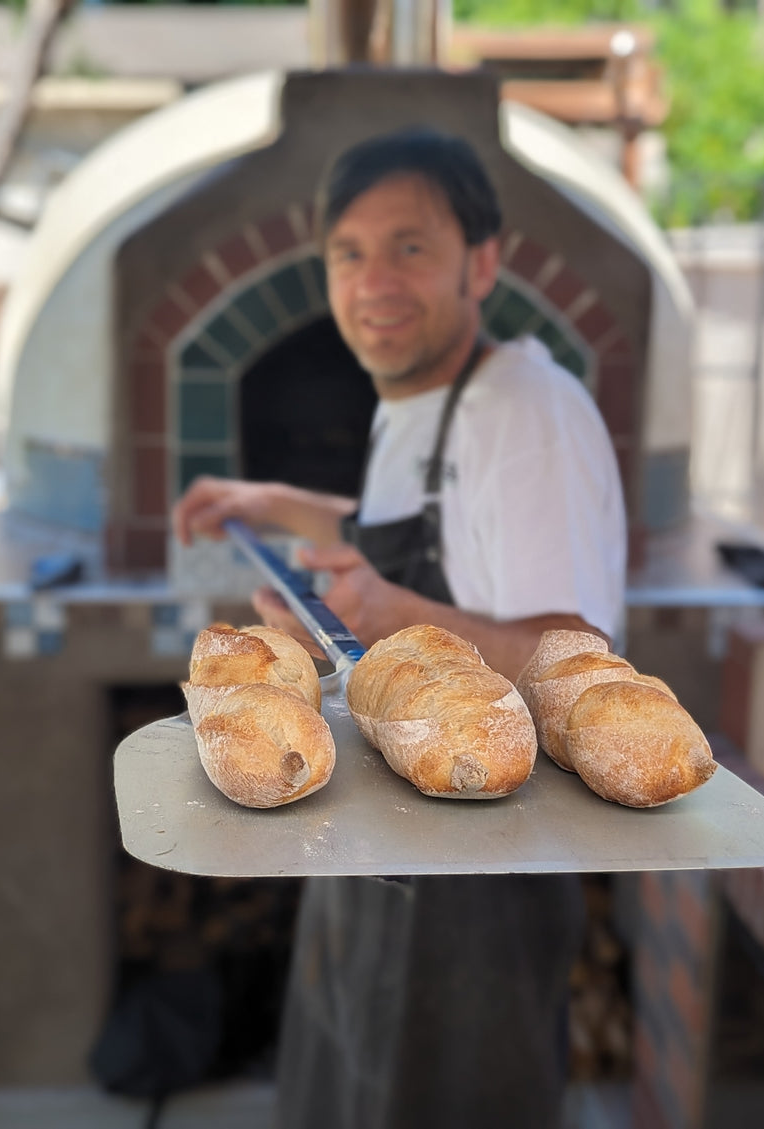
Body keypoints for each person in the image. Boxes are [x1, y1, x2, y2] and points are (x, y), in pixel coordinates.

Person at [171, 127, 628, 1128]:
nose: (374, 279)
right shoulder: (412, 404)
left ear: (484, 262)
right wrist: (273, 502)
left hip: (484, 879)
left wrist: (394, 613)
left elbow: (579, 658)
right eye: (349, 252)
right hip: (381, 838)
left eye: (411, 246)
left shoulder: (524, 409)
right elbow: (405, 529)